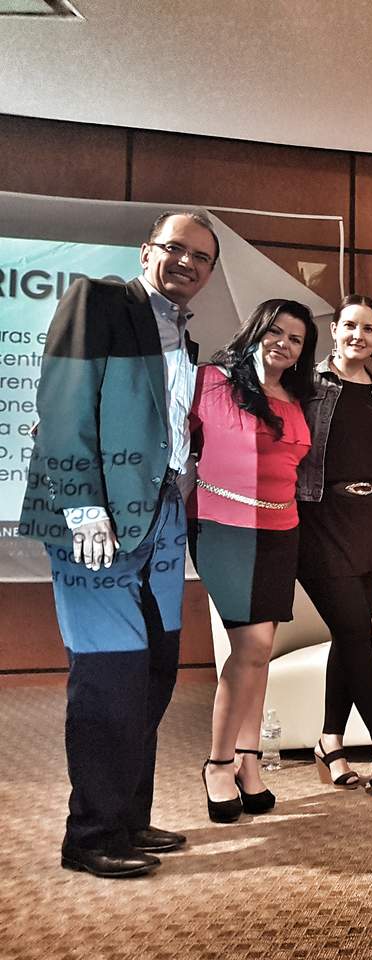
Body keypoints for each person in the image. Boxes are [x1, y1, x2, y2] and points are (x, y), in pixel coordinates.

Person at [20, 210, 219, 877]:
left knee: (156, 668)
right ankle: (91, 835)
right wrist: (82, 507)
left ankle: (129, 818)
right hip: (96, 521)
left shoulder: (185, 339)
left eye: (201, 257)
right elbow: (64, 407)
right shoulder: (99, 302)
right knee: (111, 674)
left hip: (161, 518)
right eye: (175, 248)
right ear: (145, 251)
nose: (187, 262)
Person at [189, 300, 316, 821]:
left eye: (296, 339)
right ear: (256, 331)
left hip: (281, 531)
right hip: (223, 527)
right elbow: (164, 433)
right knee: (252, 646)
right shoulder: (211, 382)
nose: (283, 343)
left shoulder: (297, 398)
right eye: (275, 332)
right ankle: (218, 763)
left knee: (260, 653)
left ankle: (248, 760)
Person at [296, 295, 372, 796]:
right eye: (350, 325)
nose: (359, 335)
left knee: (349, 635)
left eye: (369, 328)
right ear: (334, 329)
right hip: (320, 522)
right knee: (356, 632)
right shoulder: (307, 385)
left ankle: (330, 741)